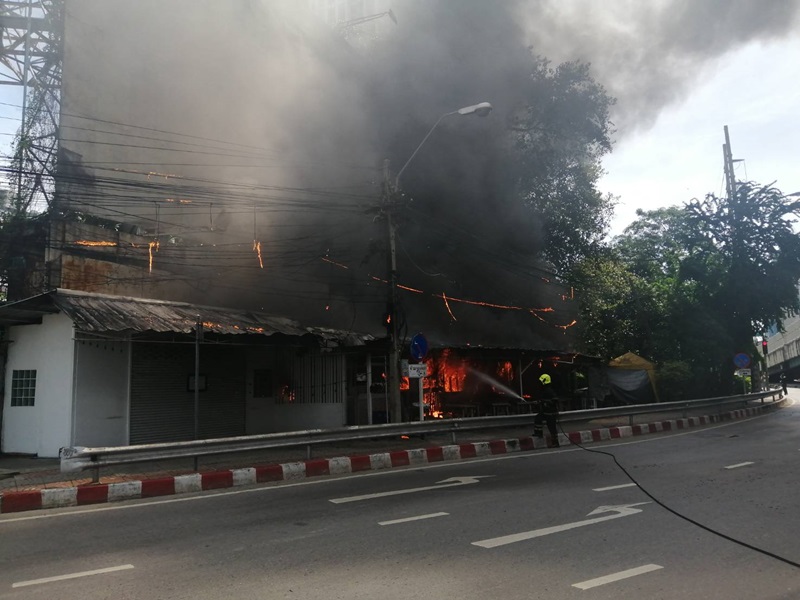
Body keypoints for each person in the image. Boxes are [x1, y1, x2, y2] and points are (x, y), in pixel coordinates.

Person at [533, 373, 559, 447]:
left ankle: (555, 443)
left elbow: (555, 400)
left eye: (541, 381)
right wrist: (539, 402)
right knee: (538, 418)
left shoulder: (549, 391)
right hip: (545, 411)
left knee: (552, 428)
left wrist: (545, 402)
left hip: (551, 413)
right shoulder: (544, 390)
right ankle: (538, 433)